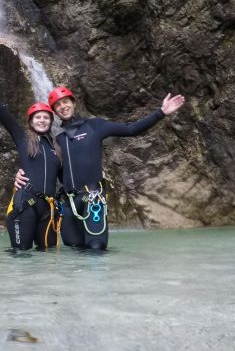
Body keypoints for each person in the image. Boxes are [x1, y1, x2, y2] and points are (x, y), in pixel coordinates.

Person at [15, 85, 185, 250]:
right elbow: (45, 167)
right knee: (73, 250)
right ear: (55, 111)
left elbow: (130, 129)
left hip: (92, 197)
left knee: (96, 248)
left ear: (74, 104)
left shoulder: (95, 126)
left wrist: (160, 113)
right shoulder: (57, 140)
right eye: (58, 105)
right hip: (68, 203)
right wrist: (20, 175)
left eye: (66, 102)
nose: (63, 106)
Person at [0, 65, 62, 250]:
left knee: (48, 255)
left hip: (48, 208)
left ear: (51, 122)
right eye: (37, 117)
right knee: (21, 254)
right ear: (31, 121)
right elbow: (3, 114)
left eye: (46, 117)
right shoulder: (23, 138)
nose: (42, 120)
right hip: (26, 203)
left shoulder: (56, 147)